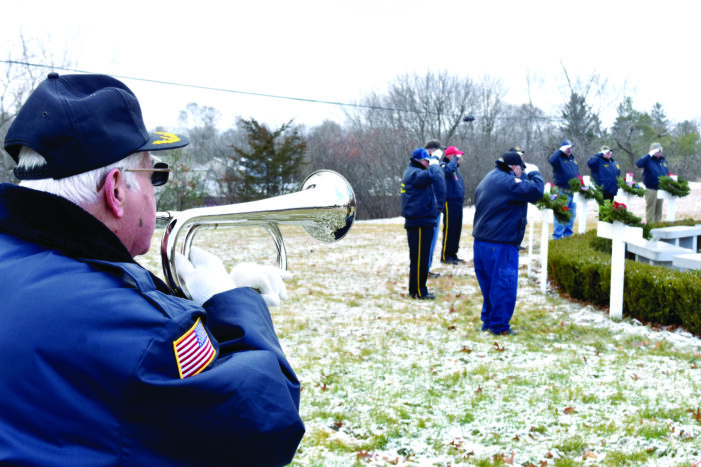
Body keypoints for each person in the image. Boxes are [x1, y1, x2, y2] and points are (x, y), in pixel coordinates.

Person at [0, 73, 304, 466]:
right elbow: (265, 423)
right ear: (115, 191)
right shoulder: (149, 335)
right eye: (153, 175)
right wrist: (231, 302)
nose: (156, 190)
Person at [472, 151, 544, 335]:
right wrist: (535, 174)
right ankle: (499, 326)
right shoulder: (507, 182)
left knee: (490, 286)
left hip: (482, 242)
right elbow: (535, 192)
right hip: (500, 243)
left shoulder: (491, 178)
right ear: (514, 168)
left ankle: (489, 321)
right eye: (522, 169)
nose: (523, 173)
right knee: (503, 285)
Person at [401, 147, 442, 299]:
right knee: (419, 259)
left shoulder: (416, 172)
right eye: (426, 161)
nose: (428, 164)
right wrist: (436, 162)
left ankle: (417, 289)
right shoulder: (414, 173)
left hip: (423, 220)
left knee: (421, 258)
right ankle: (418, 291)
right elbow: (433, 175)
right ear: (419, 160)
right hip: (418, 222)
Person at [548, 138, 579, 239]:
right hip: (561, 192)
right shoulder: (558, 158)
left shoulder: (573, 159)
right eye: (567, 148)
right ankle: (557, 237)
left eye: (570, 148)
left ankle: (567, 237)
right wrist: (560, 151)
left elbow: (576, 173)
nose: (569, 150)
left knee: (571, 216)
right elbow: (551, 161)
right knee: (560, 216)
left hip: (572, 192)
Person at [440, 145, 466, 264]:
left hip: (457, 202)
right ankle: (446, 255)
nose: (458, 158)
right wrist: (454, 161)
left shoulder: (455, 168)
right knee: (450, 229)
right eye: (456, 156)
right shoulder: (444, 166)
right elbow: (445, 173)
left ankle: (453, 253)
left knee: (456, 229)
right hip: (449, 202)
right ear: (450, 156)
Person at [425, 139, 445, 278]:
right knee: (429, 241)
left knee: (432, 241)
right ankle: (424, 269)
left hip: (436, 208)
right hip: (431, 209)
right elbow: (435, 178)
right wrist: (434, 160)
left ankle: (427, 267)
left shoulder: (435, 164)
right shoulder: (428, 165)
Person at [636, 142, 670, 224]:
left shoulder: (663, 160)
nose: (659, 152)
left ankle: (657, 226)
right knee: (651, 209)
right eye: (657, 150)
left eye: (660, 150)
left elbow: (666, 171)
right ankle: (650, 227)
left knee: (659, 210)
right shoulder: (648, 160)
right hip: (651, 188)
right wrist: (649, 155)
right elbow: (638, 163)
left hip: (661, 188)